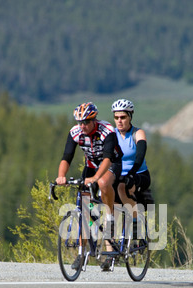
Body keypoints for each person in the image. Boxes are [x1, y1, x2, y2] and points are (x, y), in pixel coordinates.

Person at [56, 102, 123, 270]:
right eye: (80, 122)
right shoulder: (75, 133)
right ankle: (82, 253)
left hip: (111, 164)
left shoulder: (106, 131)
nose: (83, 126)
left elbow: (107, 159)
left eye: (86, 122)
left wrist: (95, 178)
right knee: (85, 208)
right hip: (92, 166)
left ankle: (110, 215)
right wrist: (61, 176)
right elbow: (67, 157)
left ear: (94, 120)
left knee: (101, 182)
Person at [111, 99, 151, 236]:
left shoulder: (138, 133)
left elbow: (140, 156)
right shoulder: (112, 135)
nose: (119, 121)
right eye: (116, 118)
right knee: (110, 210)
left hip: (139, 174)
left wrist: (131, 174)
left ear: (130, 117)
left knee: (122, 187)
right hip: (117, 175)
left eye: (123, 117)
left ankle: (135, 222)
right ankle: (111, 253)